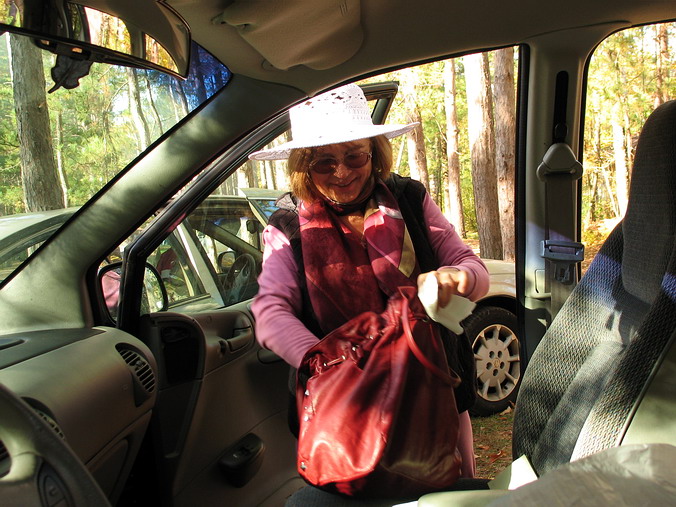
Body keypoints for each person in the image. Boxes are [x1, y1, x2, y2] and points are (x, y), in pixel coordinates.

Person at [249, 83, 489, 479]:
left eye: (354, 155)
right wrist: (331, 365)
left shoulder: (409, 198)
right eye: (324, 162)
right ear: (303, 166)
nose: (342, 172)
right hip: (344, 403)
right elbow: (271, 312)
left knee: (446, 486)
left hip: (432, 386)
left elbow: (470, 267)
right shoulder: (287, 225)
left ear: (373, 153)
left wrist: (459, 278)